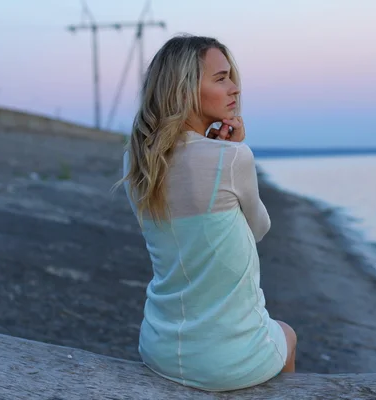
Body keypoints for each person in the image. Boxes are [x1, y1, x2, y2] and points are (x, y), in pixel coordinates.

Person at [115, 34, 297, 392]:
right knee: (288, 334)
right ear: (184, 91)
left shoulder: (137, 162)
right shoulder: (231, 158)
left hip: (159, 347)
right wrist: (231, 149)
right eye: (220, 78)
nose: (234, 89)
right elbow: (260, 228)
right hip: (227, 363)